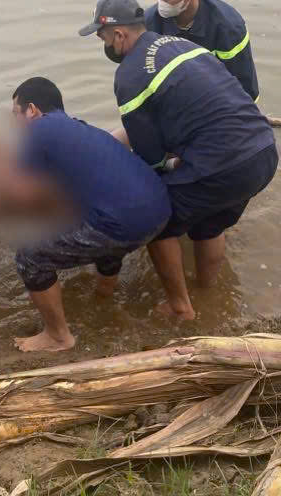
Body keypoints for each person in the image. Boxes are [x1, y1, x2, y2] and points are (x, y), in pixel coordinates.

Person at [79, 0, 277, 321]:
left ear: (119, 35)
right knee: (210, 223)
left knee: (156, 221)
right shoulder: (183, 45)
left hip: (224, 164)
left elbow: (150, 159)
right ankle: (209, 293)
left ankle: (179, 307)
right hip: (263, 151)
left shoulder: (130, 76)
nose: (104, 44)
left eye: (102, 37)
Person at [9, 77, 171, 353]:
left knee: (30, 258)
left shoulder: (39, 128)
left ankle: (58, 337)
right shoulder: (82, 130)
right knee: (93, 218)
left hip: (122, 223)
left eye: (15, 114)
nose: (15, 124)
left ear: (32, 110)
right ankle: (104, 294)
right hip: (159, 212)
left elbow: (21, 194)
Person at [144, 0, 258, 100]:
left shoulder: (229, 28)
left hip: (216, 102)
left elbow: (244, 90)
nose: (161, 2)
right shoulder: (149, 24)